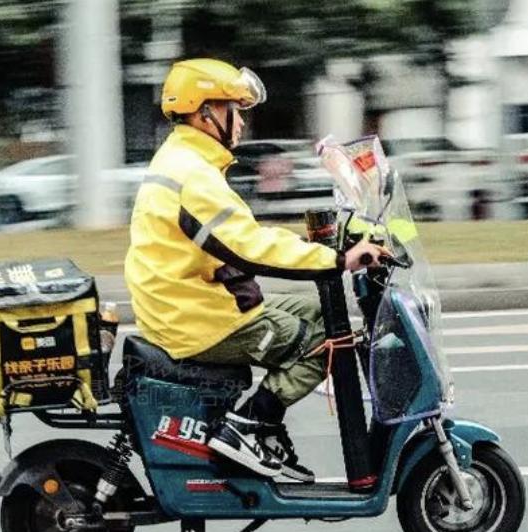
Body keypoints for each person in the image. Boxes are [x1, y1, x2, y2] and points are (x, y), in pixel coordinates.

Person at [124, 58, 388, 481]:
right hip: (198, 320)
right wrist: (337, 260)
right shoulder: (192, 174)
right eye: (234, 108)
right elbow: (249, 249)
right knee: (329, 340)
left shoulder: (182, 159)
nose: (242, 121)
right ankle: (251, 425)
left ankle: (258, 427)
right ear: (205, 112)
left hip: (193, 302)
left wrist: (312, 248)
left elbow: (241, 235)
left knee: (324, 313)